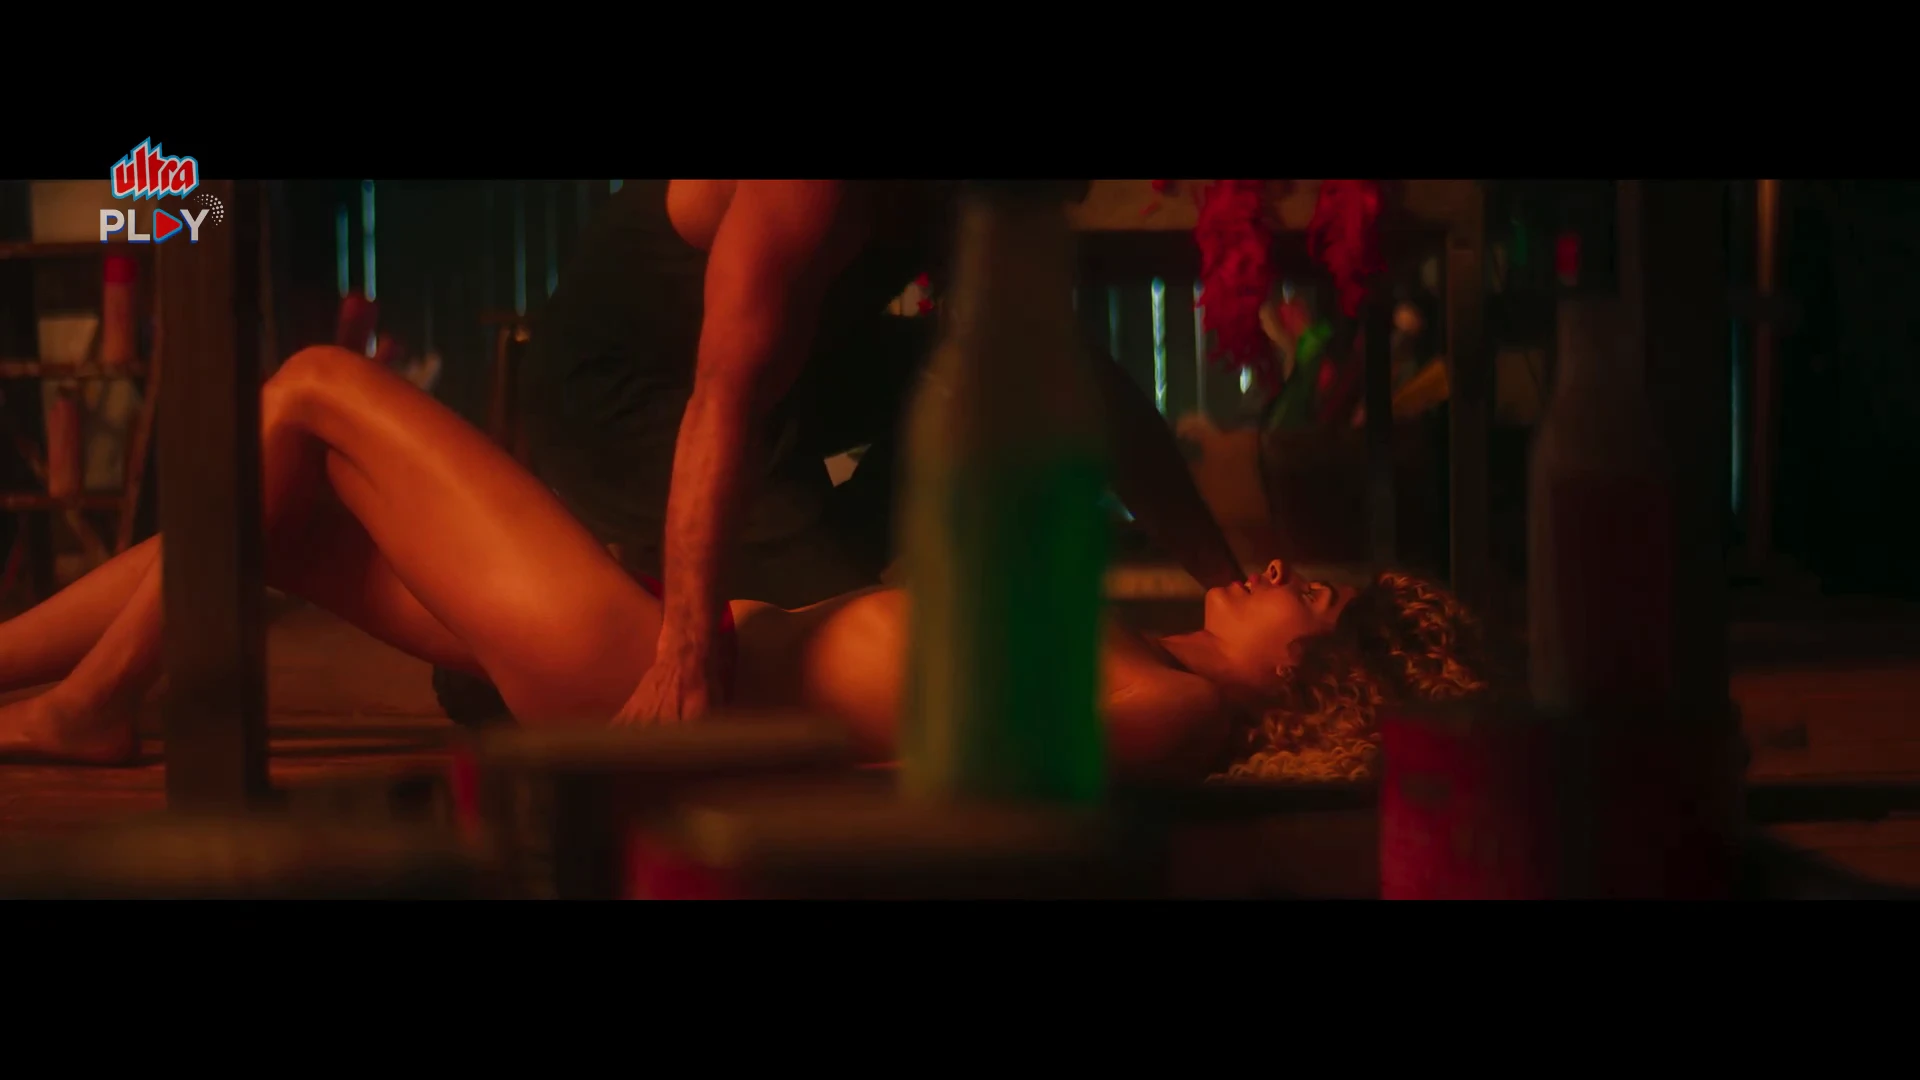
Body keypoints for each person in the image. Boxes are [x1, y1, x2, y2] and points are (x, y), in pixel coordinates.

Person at [0, 347, 1487, 780]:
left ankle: (91, 711)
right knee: (289, 509)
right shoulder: (1149, 668)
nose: (1283, 571)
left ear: (1322, 684)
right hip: (669, 640)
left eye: (1314, 598)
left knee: (314, 389)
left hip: (640, 677)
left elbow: (971, 775)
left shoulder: (1177, 708)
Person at [510, 179, 1246, 724]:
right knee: (850, 659)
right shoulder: (810, 191)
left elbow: (1065, 377)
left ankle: (782, 575)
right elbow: (723, 398)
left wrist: (1228, 589)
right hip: (617, 401)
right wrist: (685, 654)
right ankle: (535, 658)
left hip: (788, 388)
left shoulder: (962, 207)